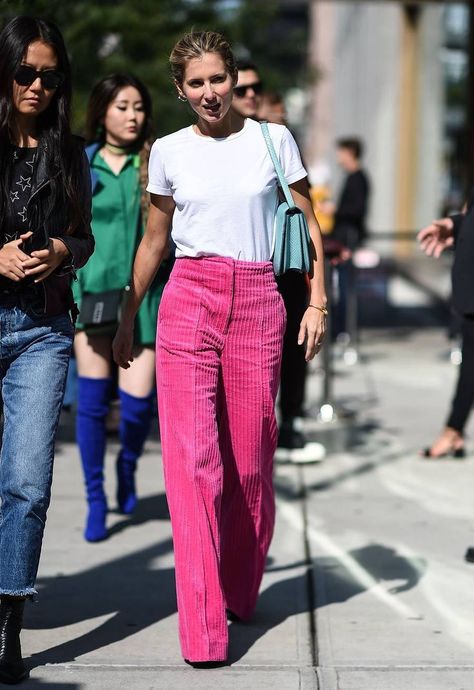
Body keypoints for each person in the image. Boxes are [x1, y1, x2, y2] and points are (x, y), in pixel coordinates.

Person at [113, 31, 327, 665]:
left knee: (252, 463)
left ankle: (238, 585)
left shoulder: (273, 139)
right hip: (189, 300)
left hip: (260, 299)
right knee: (194, 464)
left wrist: (315, 303)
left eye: (218, 79)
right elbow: (155, 241)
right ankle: (203, 627)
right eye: (196, 83)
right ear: (180, 90)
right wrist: (127, 314)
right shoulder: (170, 151)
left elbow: (307, 222)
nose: (209, 92)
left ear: (234, 79)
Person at [0, 16, 94, 683]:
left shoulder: (70, 153)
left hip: (41, 331)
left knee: (27, 482)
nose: (36, 85)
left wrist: (61, 248)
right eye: (25, 71)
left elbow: (82, 236)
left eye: (49, 76)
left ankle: (8, 627)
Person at [73, 74, 172, 543]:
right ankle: (96, 500)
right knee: (91, 407)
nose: (132, 116)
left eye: (138, 107)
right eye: (122, 106)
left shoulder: (154, 162)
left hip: (143, 299)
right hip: (90, 296)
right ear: (102, 112)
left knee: (135, 409)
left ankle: (128, 466)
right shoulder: (81, 162)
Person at [320, 138, 370, 337]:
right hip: (341, 236)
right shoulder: (352, 177)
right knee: (339, 286)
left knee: (344, 286)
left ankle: (344, 330)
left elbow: (357, 210)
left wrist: (335, 210)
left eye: (341, 153)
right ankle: (341, 329)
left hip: (347, 238)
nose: (338, 157)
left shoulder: (359, 178)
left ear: (350, 152)